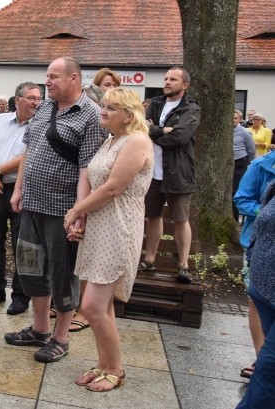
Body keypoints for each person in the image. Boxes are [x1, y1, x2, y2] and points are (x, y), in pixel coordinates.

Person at [4, 57, 106, 364]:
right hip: (32, 203)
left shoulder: (90, 115)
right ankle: (40, 329)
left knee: (62, 273)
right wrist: (19, 189)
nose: (47, 82)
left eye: (54, 77)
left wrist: (79, 211)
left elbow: (88, 168)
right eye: (46, 76)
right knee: (30, 266)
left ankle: (61, 338)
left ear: (73, 79)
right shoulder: (45, 108)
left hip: (62, 210)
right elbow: (29, 150)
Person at [62, 88, 153, 391]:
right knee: (103, 306)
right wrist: (82, 217)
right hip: (99, 226)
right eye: (103, 106)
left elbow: (113, 188)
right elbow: (91, 179)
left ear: (129, 114)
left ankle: (115, 368)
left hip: (118, 227)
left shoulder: (137, 141)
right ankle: (103, 363)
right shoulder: (110, 140)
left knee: (91, 307)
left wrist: (75, 210)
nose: (103, 111)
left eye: (111, 108)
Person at [0, 82, 41, 311]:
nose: (36, 102)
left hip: (21, 189)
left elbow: (27, 155)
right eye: (31, 97)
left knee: (23, 243)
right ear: (18, 99)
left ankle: (21, 296)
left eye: (38, 98)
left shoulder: (39, 124)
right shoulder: (0, 119)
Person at [140, 67, 201, 283]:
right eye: (166, 78)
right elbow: (140, 128)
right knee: (153, 216)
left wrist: (156, 131)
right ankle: (149, 260)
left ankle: (183, 265)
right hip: (152, 172)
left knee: (180, 219)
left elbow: (180, 137)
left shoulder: (191, 108)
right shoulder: (155, 103)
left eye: (173, 79)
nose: (167, 82)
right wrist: (165, 130)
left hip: (178, 172)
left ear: (184, 85)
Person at [234, 149, 275, 384]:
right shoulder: (261, 166)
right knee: (256, 301)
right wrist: (266, 211)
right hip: (260, 246)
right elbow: (242, 199)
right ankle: (260, 358)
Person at [234, 110, 256, 221]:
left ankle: (235, 217)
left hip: (239, 162)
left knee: (235, 190)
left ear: (240, 119)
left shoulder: (244, 132)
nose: (233, 120)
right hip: (226, 164)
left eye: (235, 118)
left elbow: (251, 150)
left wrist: (247, 161)